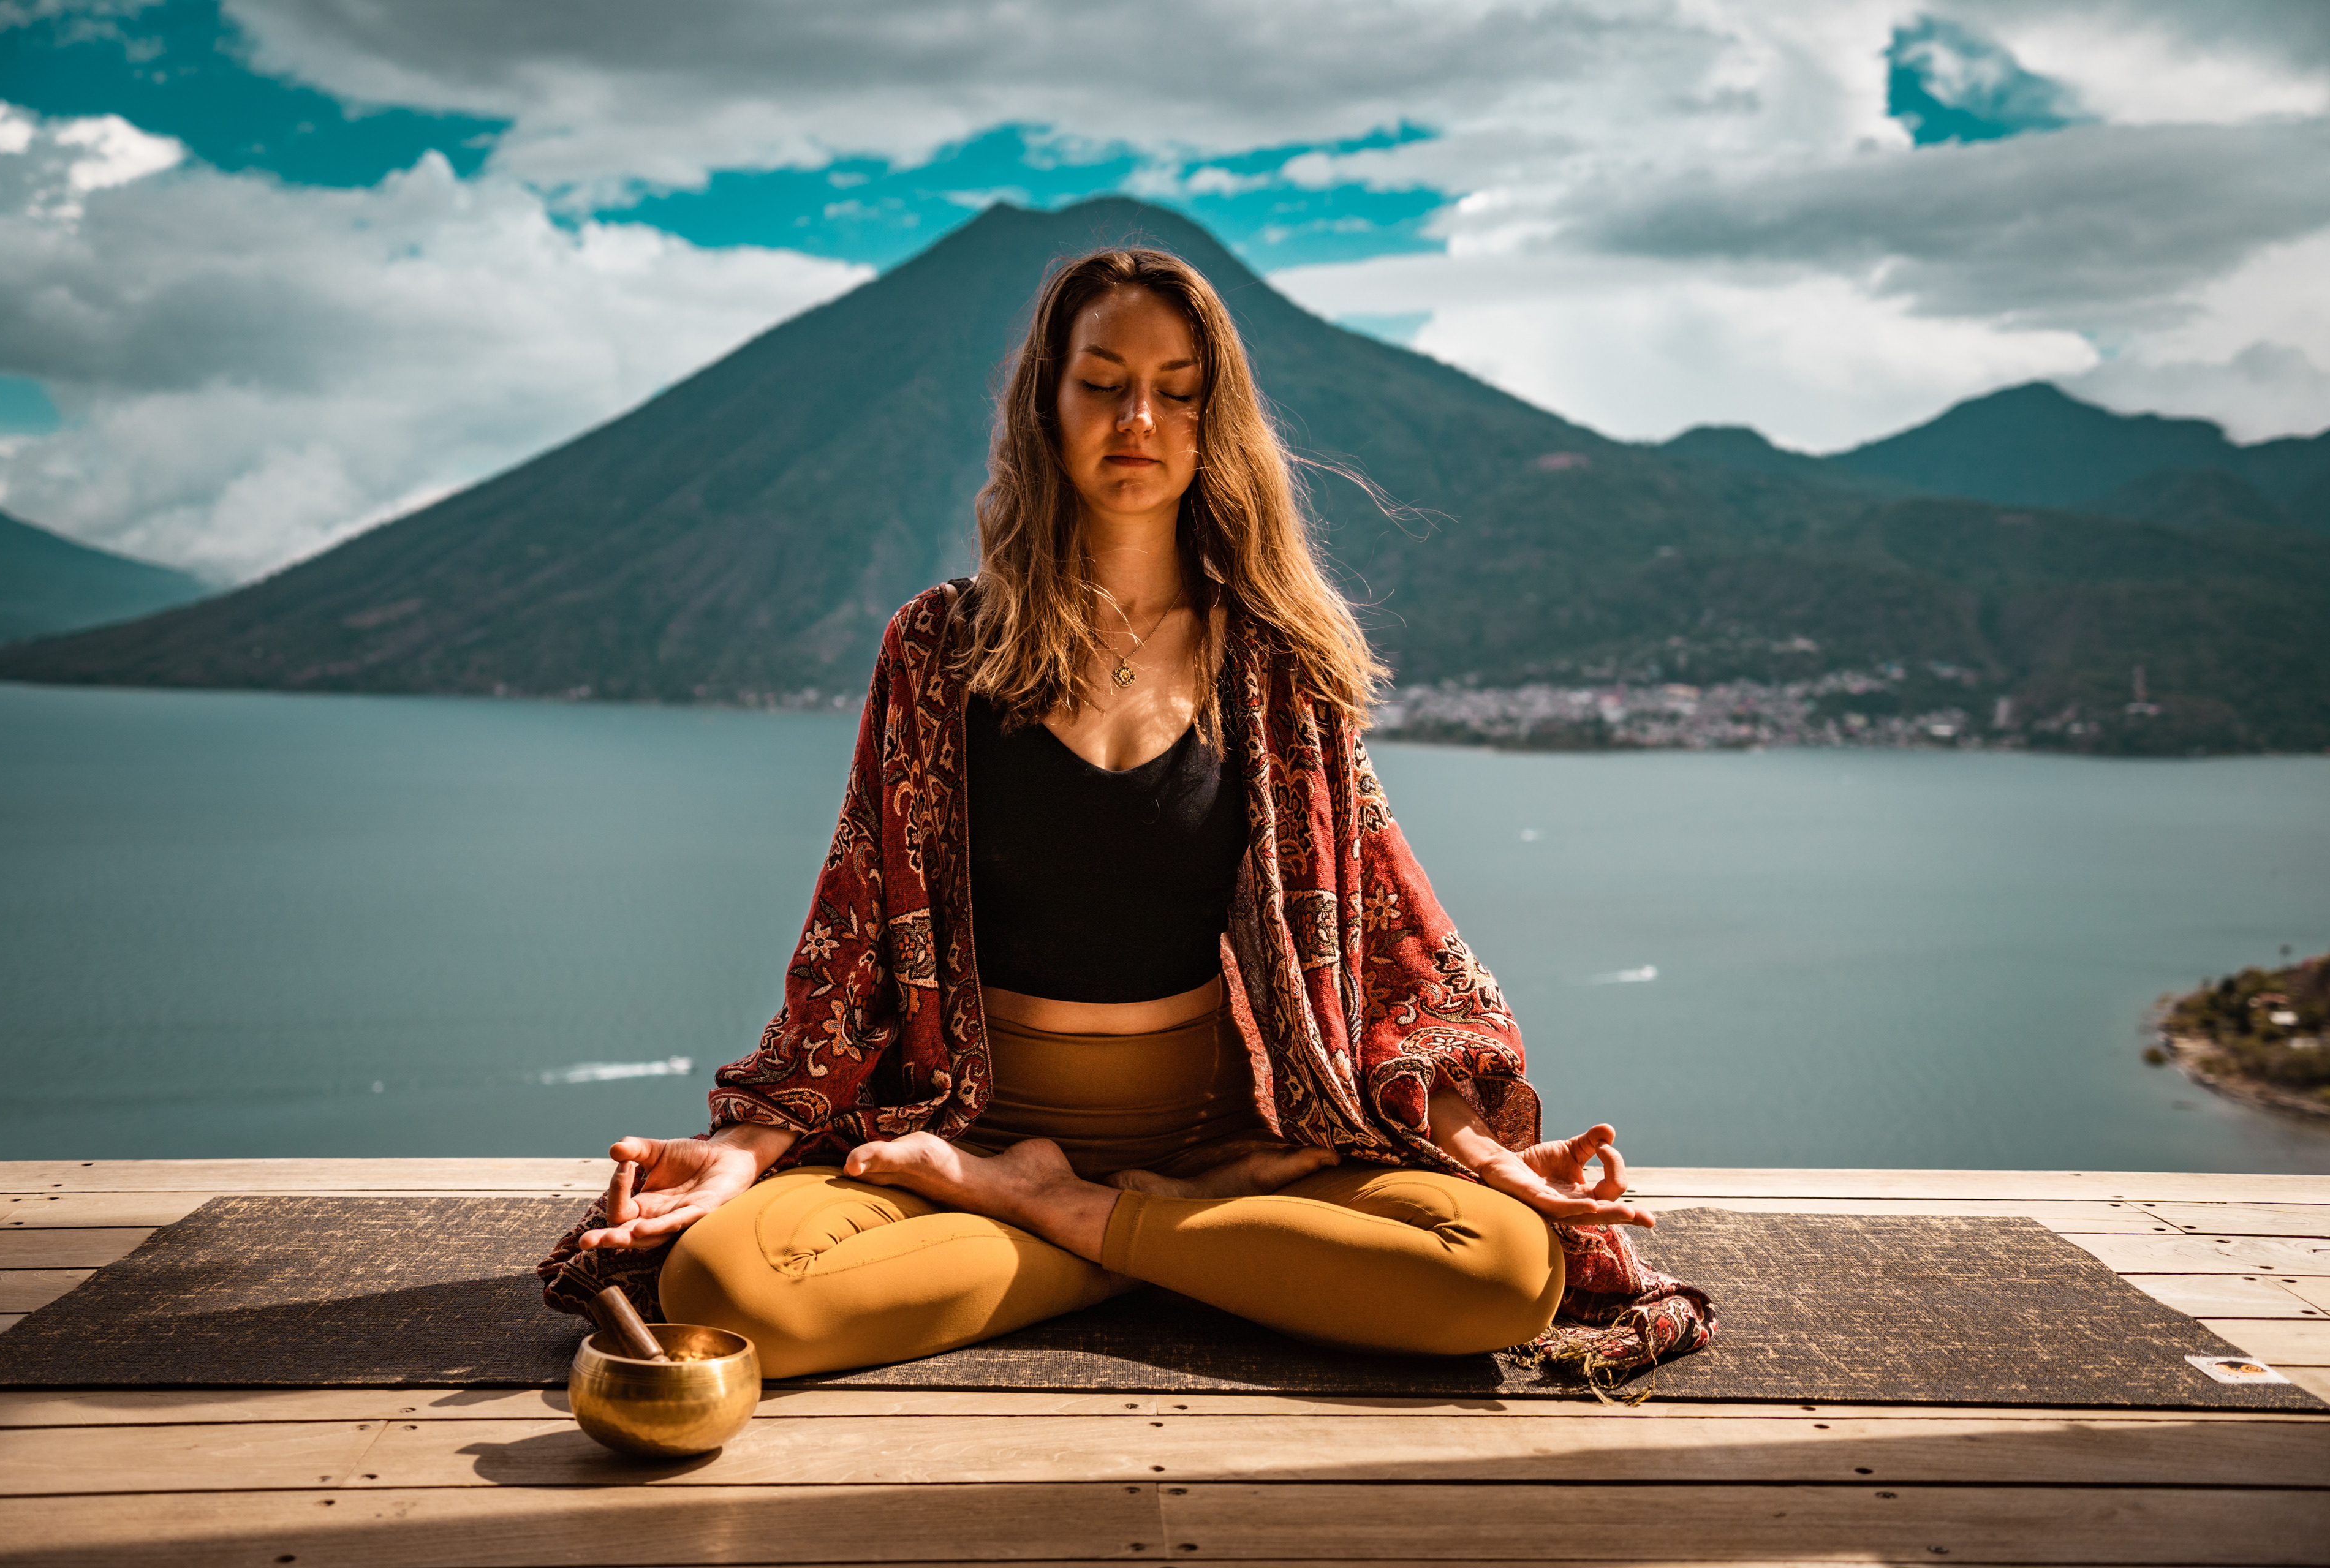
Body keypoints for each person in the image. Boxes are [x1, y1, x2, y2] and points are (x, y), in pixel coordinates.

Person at [538, 247, 1712, 1379]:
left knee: (1505, 1271)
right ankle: (1187, 1258)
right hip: (973, 1136)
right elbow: (848, 954)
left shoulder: (1275, 664)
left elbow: (1389, 955)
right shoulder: (939, 651)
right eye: (1103, 385)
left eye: (1175, 392)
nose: (1137, 421)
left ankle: (1068, 1222)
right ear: (1047, 408)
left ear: (1217, 423)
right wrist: (744, 1152)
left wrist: (1486, 1152)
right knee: (731, 1290)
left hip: (1221, 1151)